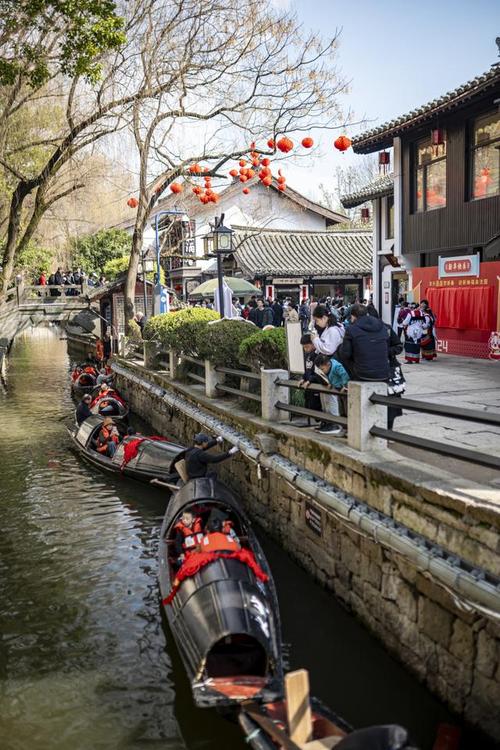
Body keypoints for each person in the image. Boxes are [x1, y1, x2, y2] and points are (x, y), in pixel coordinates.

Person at [340, 303, 390, 381]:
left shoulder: (351, 329)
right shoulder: (382, 326)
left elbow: (346, 354)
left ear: (353, 316)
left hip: (362, 374)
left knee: (341, 351)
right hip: (384, 373)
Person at [313, 353, 349, 436]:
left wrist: (345, 385)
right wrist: (329, 383)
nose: (322, 371)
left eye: (322, 369)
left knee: (346, 409)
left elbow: (344, 374)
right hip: (336, 389)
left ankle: (345, 428)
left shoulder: (337, 366)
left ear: (328, 364)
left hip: (343, 390)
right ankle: (343, 428)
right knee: (341, 409)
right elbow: (329, 376)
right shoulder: (328, 367)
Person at [299, 333, 322, 415]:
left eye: (307, 347)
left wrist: (310, 380)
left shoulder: (318, 355)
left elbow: (318, 372)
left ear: (313, 344)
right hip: (308, 384)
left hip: (316, 384)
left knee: (316, 406)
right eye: (304, 347)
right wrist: (303, 378)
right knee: (308, 404)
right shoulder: (307, 355)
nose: (305, 349)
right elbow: (307, 369)